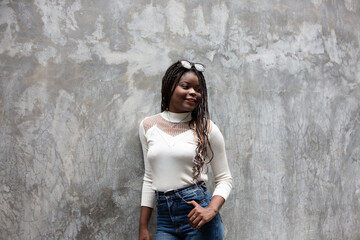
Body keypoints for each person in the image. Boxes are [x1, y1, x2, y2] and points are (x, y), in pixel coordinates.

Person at [138, 60, 232, 240]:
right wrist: (143, 226)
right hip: (165, 218)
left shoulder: (207, 129)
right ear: (169, 86)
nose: (193, 93)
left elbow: (225, 178)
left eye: (198, 90)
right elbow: (149, 177)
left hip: (198, 216)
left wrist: (211, 210)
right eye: (186, 86)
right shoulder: (147, 126)